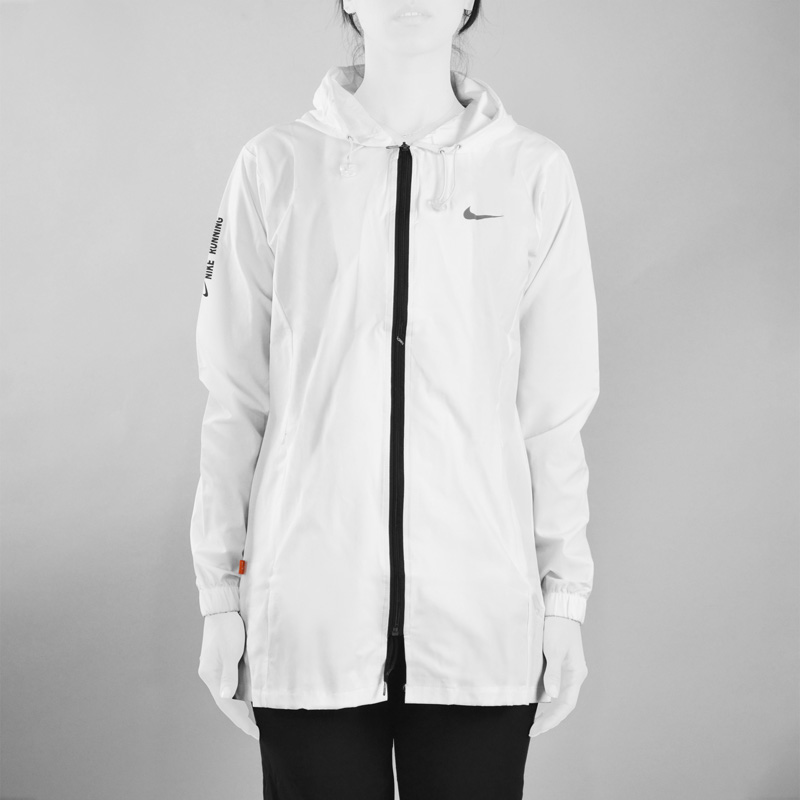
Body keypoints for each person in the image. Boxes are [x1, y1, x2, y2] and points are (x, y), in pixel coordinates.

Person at [191, 1, 599, 797]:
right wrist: (219, 597)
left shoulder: (532, 172)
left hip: (480, 618)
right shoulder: (274, 166)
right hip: (307, 615)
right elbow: (233, 398)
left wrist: (565, 601)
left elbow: (554, 413)